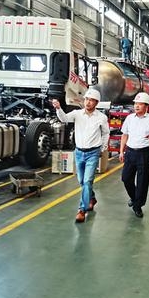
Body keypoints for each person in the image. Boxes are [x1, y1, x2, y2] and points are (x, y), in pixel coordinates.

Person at [52, 88, 109, 223]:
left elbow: (106, 133)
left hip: (93, 153)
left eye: (91, 100)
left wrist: (103, 148)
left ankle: (82, 210)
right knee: (82, 181)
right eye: (87, 99)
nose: (88, 102)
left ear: (96, 103)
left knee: (87, 181)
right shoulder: (77, 114)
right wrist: (59, 108)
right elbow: (64, 119)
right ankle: (92, 198)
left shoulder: (101, 117)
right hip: (79, 153)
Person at [119, 92, 149, 218]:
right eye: (135, 104)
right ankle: (134, 197)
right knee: (126, 178)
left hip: (144, 153)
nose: (136, 106)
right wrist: (121, 151)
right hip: (130, 152)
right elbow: (124, 135)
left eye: (140, 104)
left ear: (146, 106)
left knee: (142, 181)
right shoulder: (129, 118)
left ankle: (138, 206)